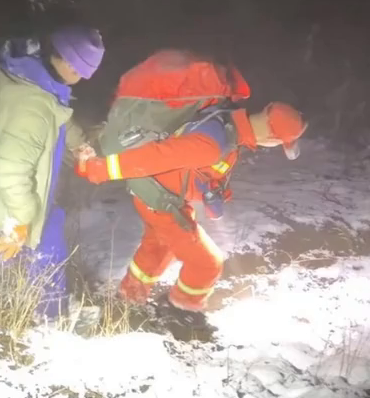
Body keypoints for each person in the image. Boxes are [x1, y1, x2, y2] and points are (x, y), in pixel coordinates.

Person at [76, 49, 307, 312]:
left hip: (161, 197)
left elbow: (194, 169)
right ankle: (182, 311)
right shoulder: (213, 142)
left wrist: (212, 191)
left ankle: (128, 300)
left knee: (158, 246)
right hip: (160, 201)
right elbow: (158, 156)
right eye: (279, 143)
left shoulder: (228, 124)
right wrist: (102, 169)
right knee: (207, 264)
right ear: (273, 139)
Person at [0, 27, 105, 319]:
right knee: (46, 233)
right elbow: (9, 168)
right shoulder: (35, 106)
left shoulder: (29, 77)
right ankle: (51, 314)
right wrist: (21, 218)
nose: (82, 80)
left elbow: (57, 116)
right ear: (71, 66)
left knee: (9, 242)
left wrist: (79, 143)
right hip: (3, 194)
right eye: (83, 72)